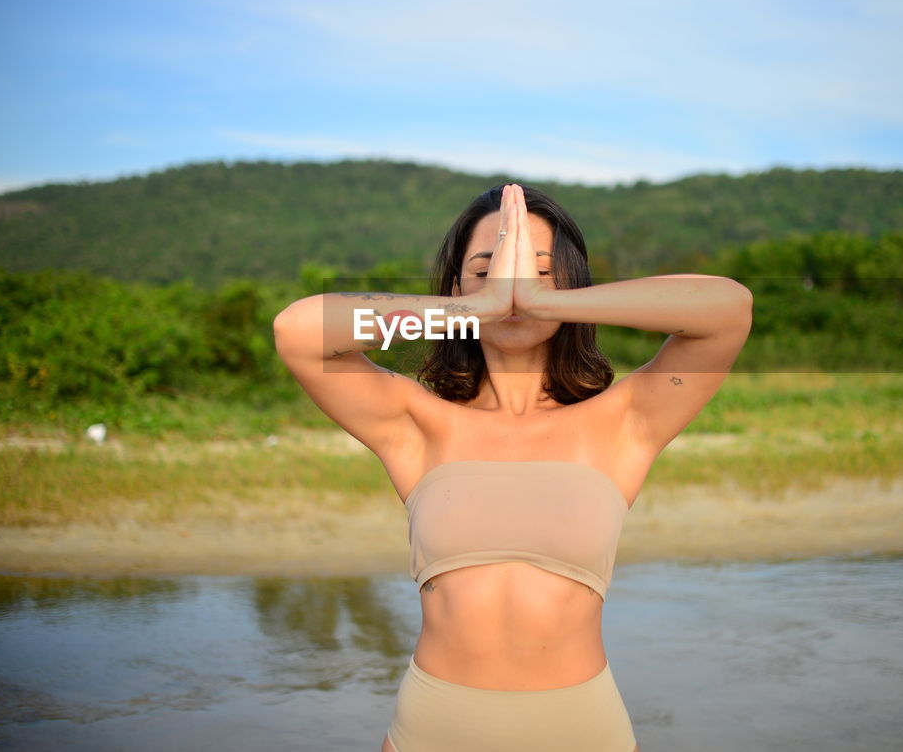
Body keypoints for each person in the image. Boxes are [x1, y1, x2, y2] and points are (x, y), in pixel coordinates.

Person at [273, 183, 753, 751]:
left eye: (541, 272)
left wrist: (548, 301)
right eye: (484, 271)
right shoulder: (415, 423)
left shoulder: (623, 421)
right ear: (455, 290)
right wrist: (475, 309)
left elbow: (725, 310)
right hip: (432, 730)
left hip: (582, 731)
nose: (513, 291)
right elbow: (299, 331)